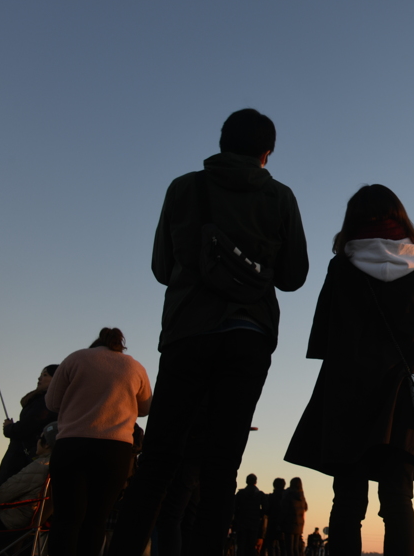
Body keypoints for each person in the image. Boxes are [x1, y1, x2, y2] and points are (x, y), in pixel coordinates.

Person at [110, 108, 309, 556]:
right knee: (222, 469)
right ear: (267, 153)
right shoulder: (280, 197)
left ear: (221, 143)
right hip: (249, 335)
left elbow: (163, 268)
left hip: (187, 333)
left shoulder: (185, 188)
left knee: (158, 461)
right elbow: (295, 276)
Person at [285, 184, 414, 556]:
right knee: (397, 499)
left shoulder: (343, 263)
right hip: (403, 393)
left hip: (347, 390)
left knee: (347, 500)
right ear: (400, 216)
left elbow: (324, 329)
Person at [44, 328, 152, 556]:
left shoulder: (75, 358)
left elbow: (52, 402)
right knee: (96, 520)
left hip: (71, 445)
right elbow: (145, 408)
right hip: (115, 450)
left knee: (66, 518)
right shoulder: (135, 367)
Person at [0, 421, 57, 549]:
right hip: (30, 525)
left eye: (39, 438)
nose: (36, 441)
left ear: (47, 444)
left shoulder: (40, 466)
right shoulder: (57, 467)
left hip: (9, 522)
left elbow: (1, 496)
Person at [0, 364, 59, 488]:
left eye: (45, 375)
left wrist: (9, 428)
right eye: (40, 375)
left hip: (25, 459)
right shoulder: (43, 400)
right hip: (24, 457)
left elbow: (28, 426)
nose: (39, 378)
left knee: (11, 494)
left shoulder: (47, 401)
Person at [233, 473, 267, 555]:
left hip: (241, 524)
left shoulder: (240, 494)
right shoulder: (260, 495)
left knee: (241, 548)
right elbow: (265, 511)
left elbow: (234, 509)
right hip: (255, 525)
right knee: (251, 548)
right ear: (256, 482)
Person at [281, 477, 307, 556]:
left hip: (289, 524)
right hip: (299, 525)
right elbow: (305, 508)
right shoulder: (301, 496)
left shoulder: (289, 494)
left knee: (289, 548)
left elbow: (284, 509)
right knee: (295, 548)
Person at [263, 477, 287, 556]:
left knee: (270, 546)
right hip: (284, 524)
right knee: (283, 547)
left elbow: (267, 510)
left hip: (272, 524)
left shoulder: (272, 497)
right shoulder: (287, 497)